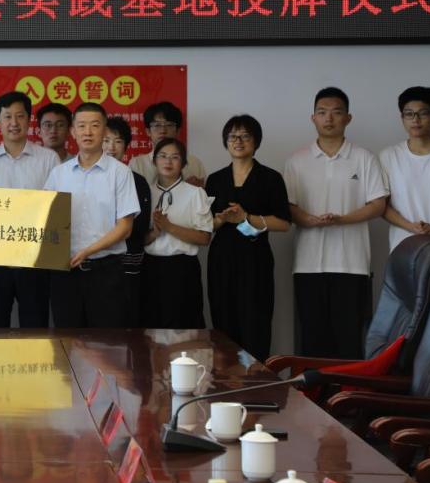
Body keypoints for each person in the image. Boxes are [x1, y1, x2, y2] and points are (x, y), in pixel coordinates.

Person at [284, 87, 388, 359]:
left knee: (349, 340)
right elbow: (289, 206)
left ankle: (346, 389)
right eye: (322, 112)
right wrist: (307, 219)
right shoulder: (297, 161)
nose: (328, 118)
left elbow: (378, 204)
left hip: (352, 264)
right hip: (308, 265)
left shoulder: (364, 158)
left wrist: (343, 219)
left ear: (348, 118)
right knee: (312, 341)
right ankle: (315, 389)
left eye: (336, 112)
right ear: (313, 118)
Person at [0, 91, 60, 328]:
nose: (14, 123)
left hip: (35, 260)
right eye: (7, 117)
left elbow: (57, 209)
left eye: (20, 116)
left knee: (35, 328)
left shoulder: (49, 159)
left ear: (29, 120)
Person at [43, 103, 139, 327]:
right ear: (73, 131)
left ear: (104, 131)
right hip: (65, 272)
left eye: (95, 125)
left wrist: (88, 251)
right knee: (67, 340)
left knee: (107, 341)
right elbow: (45, 219)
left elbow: (125, 227)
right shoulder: (58, 174)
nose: (88, 132)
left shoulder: (120, 173)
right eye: (82, 126)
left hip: (106, 272)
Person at [205, 115, 291, 361]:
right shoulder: (215, 179)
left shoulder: (270, 178)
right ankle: (224, 380)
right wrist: (222, 219)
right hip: (221, 259)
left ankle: (255, 381)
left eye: (245, 136)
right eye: (233, 136)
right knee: (223, 323)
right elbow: (206, 225)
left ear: (256, 142)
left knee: (255, 323)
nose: (238, 141)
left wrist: (247, 217)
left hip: (255, 260)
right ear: (226, 141)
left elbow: (284, 223)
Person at [141, 138, 212, 329]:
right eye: (163, 156)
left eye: (175, 157)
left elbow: (204, 237)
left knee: (183, 328)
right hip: (150, 268)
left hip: (182, 269)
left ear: (183, 163)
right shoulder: (145, 193)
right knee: (151, 326)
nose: (168, 161)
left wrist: (169, 227)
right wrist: (155, 233)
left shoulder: (195, 193)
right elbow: (138, 239)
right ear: (154, 160)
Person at [103, 116, 152, 326]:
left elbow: (139, 227)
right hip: (95, 265)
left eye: (118, 141)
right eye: (106, 140)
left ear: (126, 146)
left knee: (127, 323)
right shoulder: (87, 177)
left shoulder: (138, 181)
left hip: (128, 266)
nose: (111, 147)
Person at [380, 86, 430, 251]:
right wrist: (411, 227)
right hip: (404, 248)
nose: (415, 119)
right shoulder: (389, 156)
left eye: (423, 113)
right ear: (402, 118)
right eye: (409, 114)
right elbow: (381, 205)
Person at [129, 101, 206, 187]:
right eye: (157, 125)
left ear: (178, 131)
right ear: (148, 131)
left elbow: (202, 193)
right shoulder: (137, 164)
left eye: (169, 125)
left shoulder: (194, 163)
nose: (163, 131)